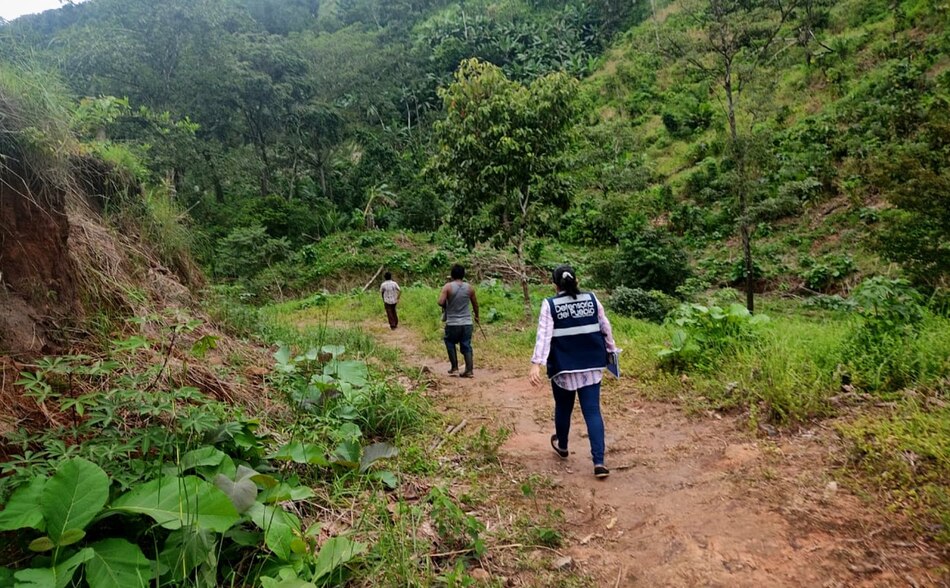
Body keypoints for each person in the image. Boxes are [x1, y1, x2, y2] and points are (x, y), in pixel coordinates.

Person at [529, 265, 618, 479]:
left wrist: (536, 364)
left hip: (564, 366)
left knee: (563, 407)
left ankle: (563, 445)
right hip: (591, 365)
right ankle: (599, 461)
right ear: (576, 281)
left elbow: (544, 335)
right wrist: (612, 351)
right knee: (593, 412)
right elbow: (605, 328)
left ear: (555, 285)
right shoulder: (592, 299)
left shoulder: (550, 304)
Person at [438, 264, 479, 377]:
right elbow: (475, 304)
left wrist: (447, 304)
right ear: (463, 274)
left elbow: (440, 302)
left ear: (452, 275)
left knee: (450, 342)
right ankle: (469, 370)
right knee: (466, 344)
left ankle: (454, 367)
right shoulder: (469, 288)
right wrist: (477, 316)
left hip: (453, 323)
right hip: (467, 322)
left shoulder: (448, 287)